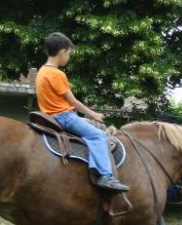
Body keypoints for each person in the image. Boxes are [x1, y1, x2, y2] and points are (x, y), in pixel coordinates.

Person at [36, 32, 129, 192]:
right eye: (69, 53)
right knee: (98, 135)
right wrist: (94, 115)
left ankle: (94, 166)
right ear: (62, 52)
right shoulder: (57, 74)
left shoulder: (42, 71)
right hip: (65, 117)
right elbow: (73, 102)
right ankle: (105, 176)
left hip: (49, 116)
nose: (69, 57)